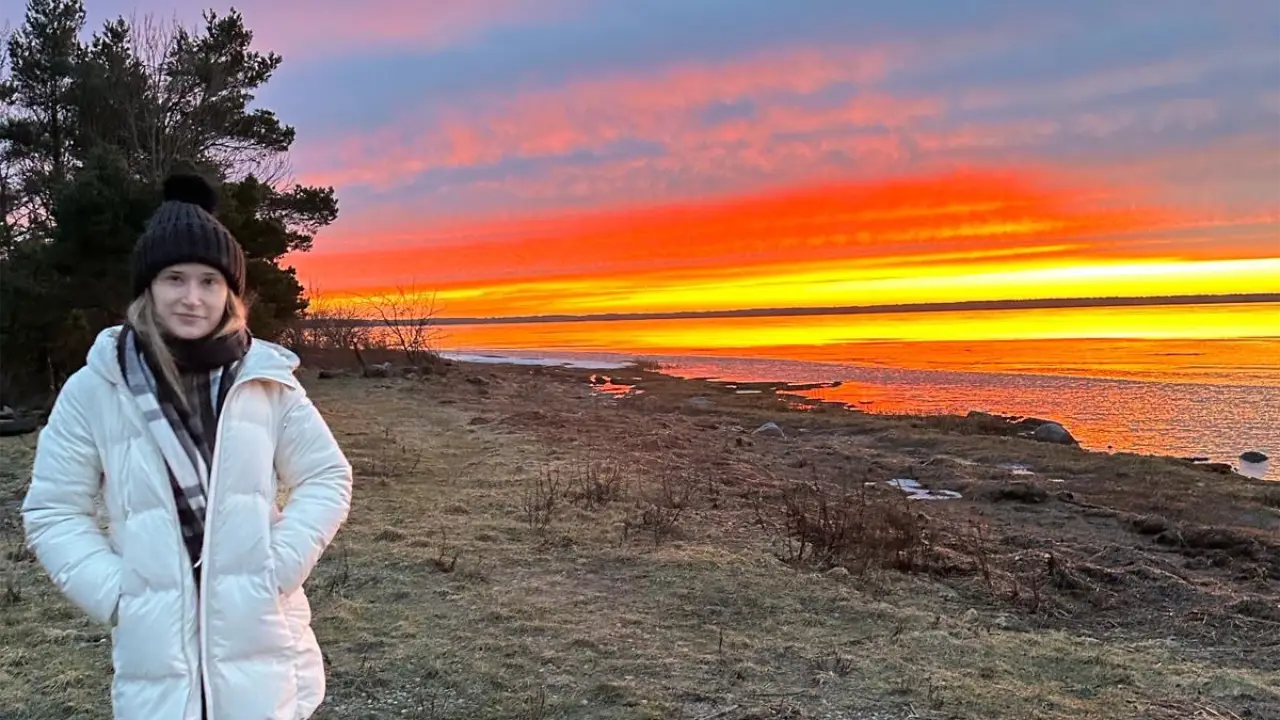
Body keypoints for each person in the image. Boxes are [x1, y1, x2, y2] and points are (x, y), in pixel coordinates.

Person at [21, 171, 354, 719]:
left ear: (230, 292)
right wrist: (118, 593)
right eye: (175, 278)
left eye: (209, 281)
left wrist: (277, 568)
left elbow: (327, 477)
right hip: (156, 659)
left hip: (263, 645)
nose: (192, 298)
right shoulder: (97, 386)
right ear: (148, 286)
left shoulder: (266, 379)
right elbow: (53, 511)